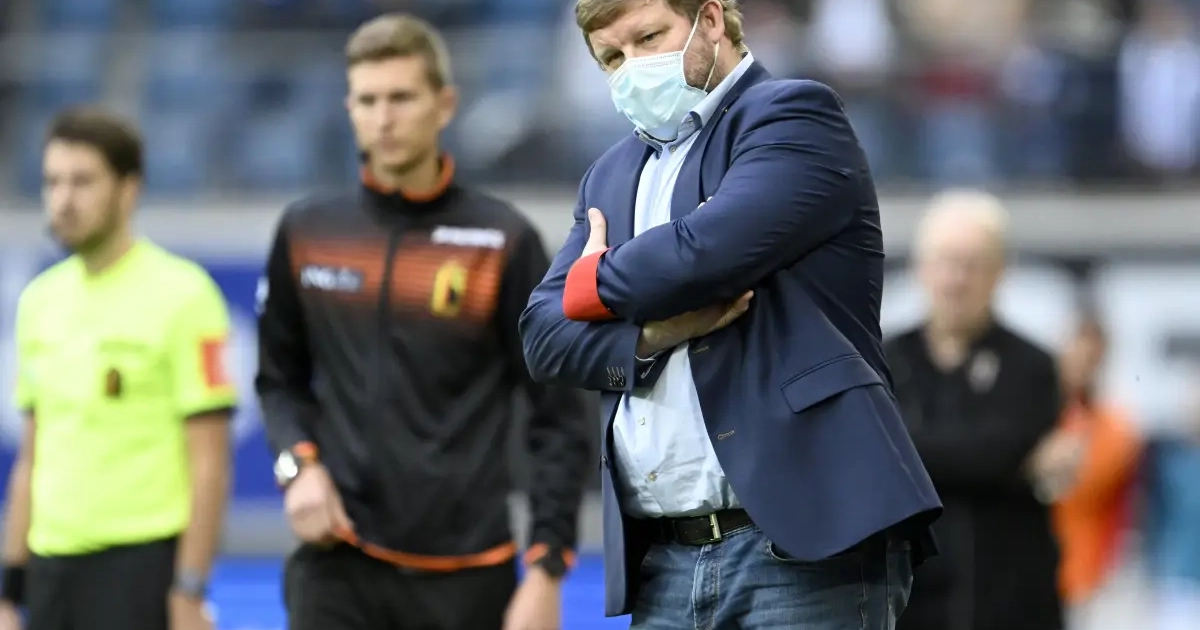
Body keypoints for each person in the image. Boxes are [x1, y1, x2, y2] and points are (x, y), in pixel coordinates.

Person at [519, 1, 942, 628]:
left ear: (711, 20)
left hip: (801, 544)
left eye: (648, 37)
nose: (632, 67)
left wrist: (589, 282)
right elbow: (542, 336)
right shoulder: (608, 174)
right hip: (665, 555)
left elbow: (701, 256)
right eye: (611, 57)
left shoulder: (792, 115)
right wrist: (652, 336)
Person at [254, 13, 591, 630]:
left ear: (444, 105)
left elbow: (559, 418)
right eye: (368, 100)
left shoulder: (503, 241)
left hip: (469, 575)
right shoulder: (306, 232)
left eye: (402, 98)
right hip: (337, 562)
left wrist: (547, 568)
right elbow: (279, 381)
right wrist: (298, 466)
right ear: (349, 109)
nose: (383, 118)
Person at [0, 108, 234, 630]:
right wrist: (9, 591)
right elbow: (32, 456)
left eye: (82, 182)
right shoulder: (39, 301)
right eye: (52, 182)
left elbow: (210, 463)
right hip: (51, 568)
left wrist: (189, 589)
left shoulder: (185, 295)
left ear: (129, 189)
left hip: (139, 568)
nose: (63, 199)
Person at [885, 190, 1064, 630]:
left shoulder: (1032, 365)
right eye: (945, 261)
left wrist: (906, 451)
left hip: (1013, 603)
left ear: (1000, 272)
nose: (956, 279)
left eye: (972, 264)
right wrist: (1014, 467)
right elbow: (875, 457)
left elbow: (998, 449)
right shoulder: (885, 362)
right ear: (921, 268)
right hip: (910, 605)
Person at [1042, 316, 1142, 628]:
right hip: (1033, 567)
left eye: (1090, 359)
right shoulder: (1040, 414)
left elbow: (1081, 483)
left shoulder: (1114, 427)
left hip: (1087, 575)